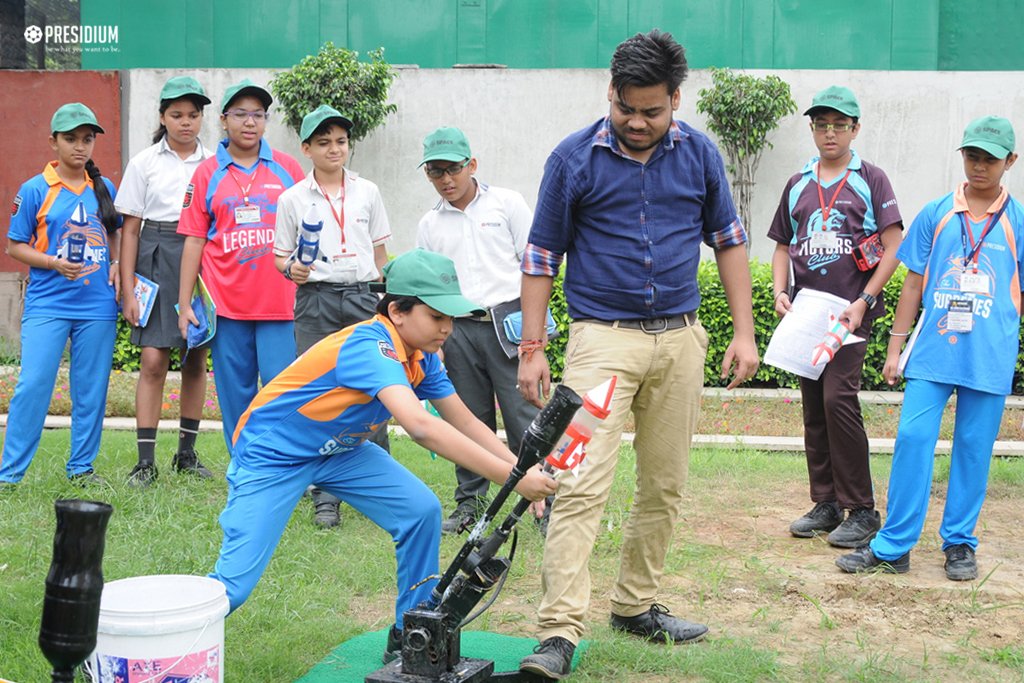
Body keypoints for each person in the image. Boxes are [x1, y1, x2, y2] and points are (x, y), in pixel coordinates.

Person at [515, 30, 759, 679]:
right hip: (601, 343)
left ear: (675, 99)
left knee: (666, 480)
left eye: (652, 110)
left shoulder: (700, 154)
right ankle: (558, 630)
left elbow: (729, 240)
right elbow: (542, 256)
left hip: (680, 340)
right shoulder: (573, 159)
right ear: (611, 95)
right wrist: (533, 348)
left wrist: (744, 331)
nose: (638, 122)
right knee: (578, 479)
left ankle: (634, 602)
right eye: (628, 108)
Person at [207, 249, 558, 662]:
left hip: (340, 450)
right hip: (274, 455)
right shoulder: (369, 345)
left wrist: (519, 466)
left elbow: (465, 421)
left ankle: (412, 631)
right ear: (398, 311)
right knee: (234, 586)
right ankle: (153, 635)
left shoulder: (422, 357)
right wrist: (512, 479)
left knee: (420, 511)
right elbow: (422, 427)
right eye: (437, 317)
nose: (447, 328)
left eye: (451, 318)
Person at [837, 116, 1022, 581]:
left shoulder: (1018, 222)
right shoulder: (936, 212)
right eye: (972, 155)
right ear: (962, 155)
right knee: (913, 439)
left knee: (974, 449)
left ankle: (959, 543)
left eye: (990, 159)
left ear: (1010, 162)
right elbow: (913, 285)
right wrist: (895, 350)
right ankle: (894, 545)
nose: (979, 166)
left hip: (989, 355)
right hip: (933, 353)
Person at [768, 86, 904, 547]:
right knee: (813, 405)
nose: (830, 132)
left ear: (855, 129)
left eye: (839, 124)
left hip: (850, 313)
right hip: (808, 314)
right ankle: (825, 503)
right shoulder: (798, 183)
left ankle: (862, 508)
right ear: (812, 129)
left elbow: (893, 245)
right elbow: (782, 246)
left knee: (837, 401)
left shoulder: (871, 178)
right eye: (821, 124)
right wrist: (779, 291)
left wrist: (864, 299)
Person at [416, 126, 539, 534]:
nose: (446, 180)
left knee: (524, 414)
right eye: (436, 172)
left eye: (453, 169)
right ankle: (470, 502)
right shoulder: (429, 224)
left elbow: (535, 267)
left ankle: (541, 499)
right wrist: (432, 343)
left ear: (472, 164)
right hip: (457, 329)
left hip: (509, 322)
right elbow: (429, 290)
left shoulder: (507, 204)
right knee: (467, 417)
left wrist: (534, 338)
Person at [273, 104, 392, 527]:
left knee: (377, 388)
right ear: (306, 148)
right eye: (323, 142)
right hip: (316, 300)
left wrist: (385, 301)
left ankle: (378, 487)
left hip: (362, 297)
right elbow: (280, 256)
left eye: (340, 141)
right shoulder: (291, 199)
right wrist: (292, 269)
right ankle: (325, 493)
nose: (334, 149)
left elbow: (380, 255)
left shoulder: (368, 192)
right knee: (320, 394)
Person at [177, 79, 305, 456]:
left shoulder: (287, 169)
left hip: (280, 306)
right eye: (241, 114)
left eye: (258, 115)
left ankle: (285, 466)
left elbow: (309, 228)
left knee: (283, 393)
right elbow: (194, 241)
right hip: (227, 308)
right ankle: (244, 467)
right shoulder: (206, 174)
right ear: (224, 120)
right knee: (236, 395)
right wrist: (185, 305)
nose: (250, 122)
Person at [0, 103, 121, 486]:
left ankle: (82, 469)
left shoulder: (104, 188)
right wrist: (53, 262)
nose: (80, 147)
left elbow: (115, 233)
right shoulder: (35, 190)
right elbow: (15, 246)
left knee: (91, 390)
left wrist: (117, 265)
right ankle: (10, 474)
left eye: (87, 140)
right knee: (34, 383)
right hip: (48, 303)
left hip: (97, 305)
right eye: (70, 139)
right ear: (53, 142)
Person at [117, 76, 215, 488]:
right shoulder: (144, 163)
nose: (186, 122)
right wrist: (126, 288)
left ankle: (186, 454)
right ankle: (145, 462)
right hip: (155, 255)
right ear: (162, 117)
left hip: (202, 257)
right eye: (177, 115)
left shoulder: (214, 163)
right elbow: (130, 230)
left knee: (196, 358)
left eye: (193, 115)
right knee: (154, 359)